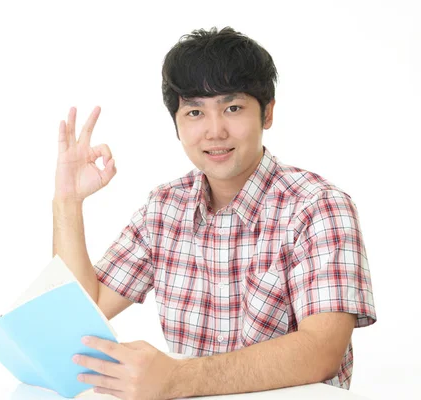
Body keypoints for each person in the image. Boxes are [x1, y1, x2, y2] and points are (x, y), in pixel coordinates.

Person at [53, 26, 376, 400]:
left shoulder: (317, 207)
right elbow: (78, 313)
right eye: (194, 112)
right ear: (176, 124)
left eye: (233, 108)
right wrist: (67, 201)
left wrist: (177, 378)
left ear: (267, 112)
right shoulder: (164, 209)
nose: (214, 131)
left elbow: (321, 351)